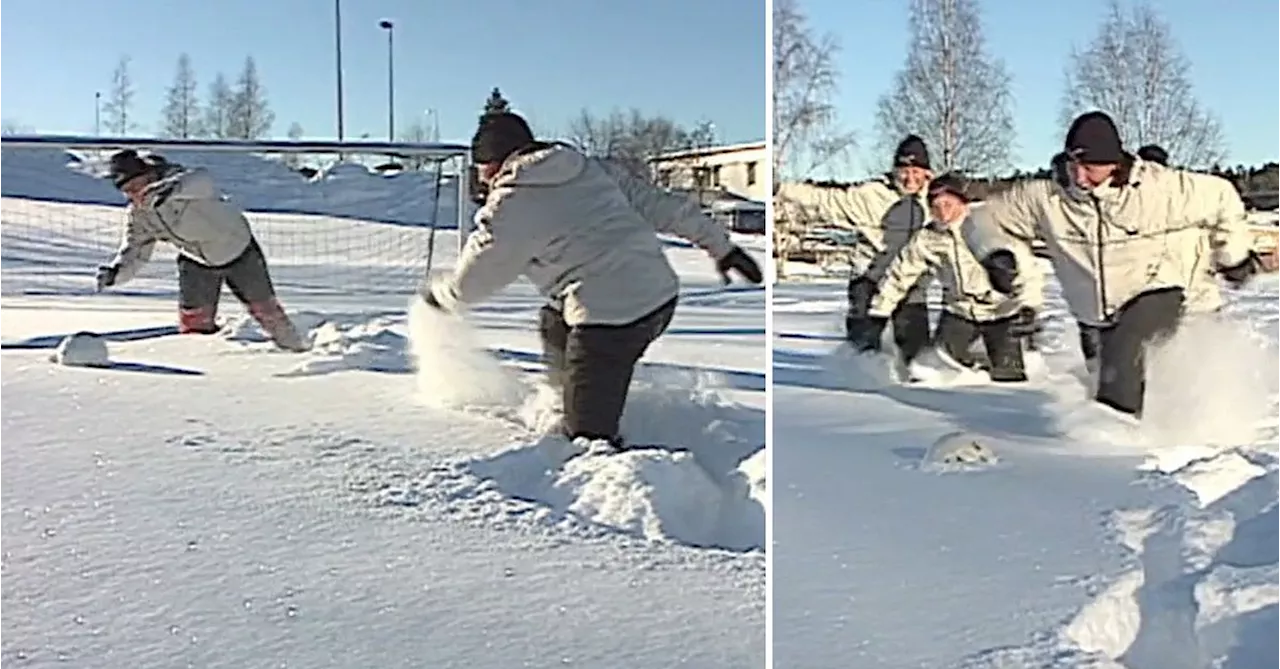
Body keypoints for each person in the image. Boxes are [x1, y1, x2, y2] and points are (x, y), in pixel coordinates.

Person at [418, 111, 763, 451]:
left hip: (612, 321)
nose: (480, 179)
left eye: (480, 170)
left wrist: (444, 297)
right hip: (659, 296)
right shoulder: (587, 169)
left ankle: (613, 459)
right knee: (555, 319)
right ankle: (564, 397)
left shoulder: (512, 202)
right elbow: (663, 206)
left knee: (588, 437)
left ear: (492, 164)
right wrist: (723, 248)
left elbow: (481, 273)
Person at [966, 111, 1276, 418]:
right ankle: (1153, 435)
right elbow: (981, 219)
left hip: (1159, 290)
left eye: (1091, 168)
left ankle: (1114, 447)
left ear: (1115, 163)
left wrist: (1233, 256)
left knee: (1123, 367)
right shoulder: (1046, 198)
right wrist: (995, 254)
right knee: (1106, 379)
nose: (1080, 177)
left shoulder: (1159, 188)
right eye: (1075, 165)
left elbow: (1222, 195)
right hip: (1094, 316)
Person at [96, 149, 307, 352]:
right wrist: (116, 273)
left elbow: (203, 180)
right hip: (196, 261)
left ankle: (297, 348)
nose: (135, 195)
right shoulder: (141, 216)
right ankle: (201, 363)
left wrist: (169, 190)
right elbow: (135, 250)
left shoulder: (184, 181)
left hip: (239, 250)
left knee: (267, 312)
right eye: (128, 192)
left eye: (137, 186)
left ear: (150, 176)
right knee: (194, 321)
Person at [849, 173, 1039, 382]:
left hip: (1002, 310)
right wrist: (879, 312)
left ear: (962, 201)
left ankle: (1001, 363)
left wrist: (1029, 306)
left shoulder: (989, 225)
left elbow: (1028, 268)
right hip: (960, 311)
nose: (942, 212)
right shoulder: (928, 238)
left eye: (948, 204)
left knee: (1009, 378)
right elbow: (900, 275)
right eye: (935, 206)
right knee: (936, 371)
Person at [1072, 143, 1226, 381]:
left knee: (1175, 366)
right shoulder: (1163, 208)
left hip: (1189, 301)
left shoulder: (1167, 209)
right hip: (1172, 301)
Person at [811, 135, 937, 368]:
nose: (910, 178)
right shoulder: (872, 195)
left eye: (916, 171)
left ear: (927, 173)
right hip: (869, 276)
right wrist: (783, 190)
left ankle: (915, 381)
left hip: (909, 282)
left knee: (918, 355)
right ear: (894, 170)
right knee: (863, 345)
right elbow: (826, 199)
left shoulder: (937, 200)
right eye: (904, 170)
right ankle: (857, 381)